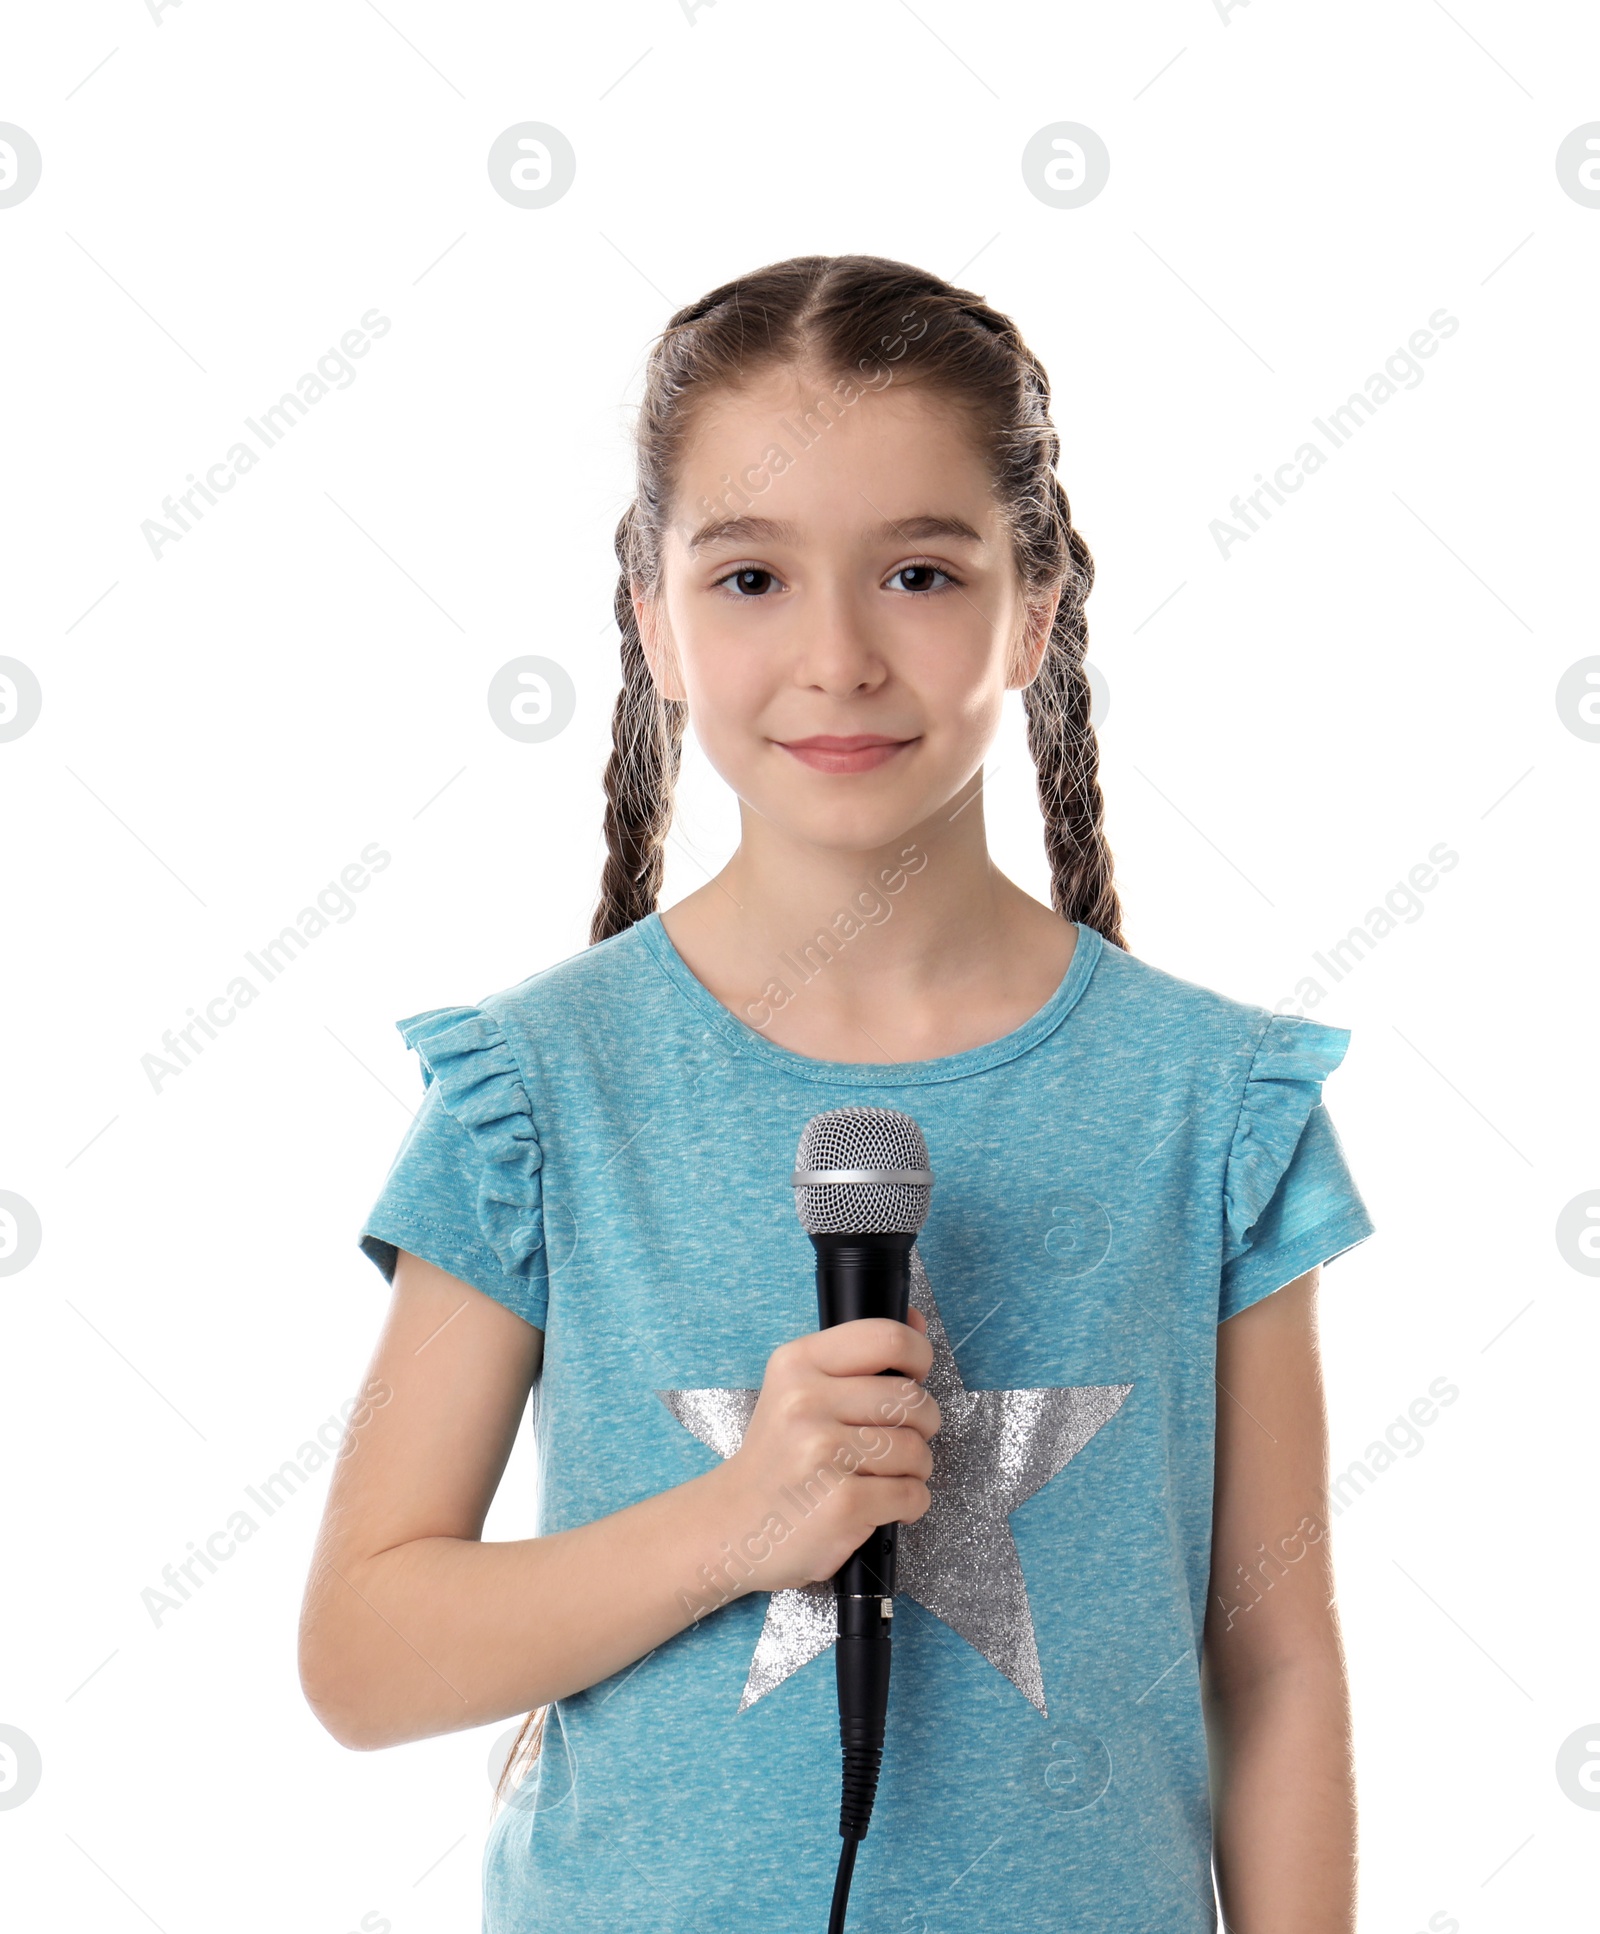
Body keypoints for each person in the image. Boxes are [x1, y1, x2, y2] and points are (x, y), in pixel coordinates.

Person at [299, 254, 1376, 1933]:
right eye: (748, 577)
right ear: (651, 619)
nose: (838, 655)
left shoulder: (1211, 1104)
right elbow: (364, 1651)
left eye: (920, 572)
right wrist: (742, 1520)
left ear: (1035, 608)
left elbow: (1277, 1657)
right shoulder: (541, 1095)